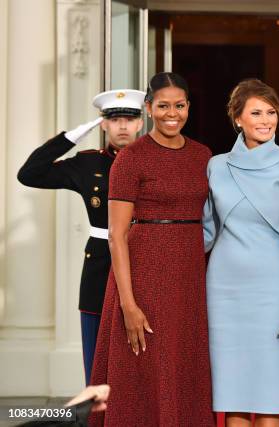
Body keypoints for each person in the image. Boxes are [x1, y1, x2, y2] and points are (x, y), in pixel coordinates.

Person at [89, 72, 214, 426]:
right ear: (148, 109)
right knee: (142, 367)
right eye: (162, 106)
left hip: (190, 274)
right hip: (145, 274)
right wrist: (128, 304)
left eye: (179, 105)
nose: (171, 113)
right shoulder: (132, 158)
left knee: (184, 364)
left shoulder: (203, 155)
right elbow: (116, 234)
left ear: (188, 107)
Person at [17, 90, 145, 384]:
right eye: (114, 120)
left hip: (143, 257)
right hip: (101, 262)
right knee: (96, 352)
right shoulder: (88, 164)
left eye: (129, 118)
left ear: (141, 122)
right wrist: (73, 135)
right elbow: (30, 174)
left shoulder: (153, 161)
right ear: (103, 125)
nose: (123, 126)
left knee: (142, 353)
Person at [204, 79, 279, 427]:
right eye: (256, 112)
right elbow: (205, 232)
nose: (266, 120)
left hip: (272, 287)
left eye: (271, 112)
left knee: (269, 395)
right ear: (237, 119)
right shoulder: (216, 166)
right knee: (232, 394)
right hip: (224, 288)